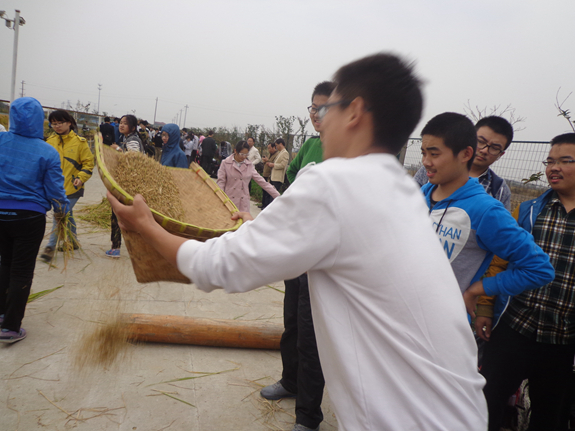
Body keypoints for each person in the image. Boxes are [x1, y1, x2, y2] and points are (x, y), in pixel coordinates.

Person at [108, 53, 488, 431]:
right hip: (462, 411)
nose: (321, 121)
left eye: (328, 109)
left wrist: (147, 225)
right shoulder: (400, 188)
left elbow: (218, 266)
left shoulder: (336, 182)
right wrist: (258, 225)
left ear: (354, 111)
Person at [477, 133, 575, 431]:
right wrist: (484, 307)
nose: (552, 168)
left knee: (549, 415)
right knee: (486, 404)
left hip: (563, 344)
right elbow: (499, 261)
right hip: (514, 329)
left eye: (564, 161)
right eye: (550, 161)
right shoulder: (530, 211)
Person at [419, 112, 554, 317]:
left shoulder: (487, 210)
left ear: (465, 153)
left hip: (441, 323)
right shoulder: (421, 194)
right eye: (423, 153)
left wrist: (478, 290)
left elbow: (539, 269)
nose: (426, 162)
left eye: (434, 154)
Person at [260, 81, 335, 431]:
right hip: (298, 252)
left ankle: (308, 415)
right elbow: (290, 189)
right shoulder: (309, 147)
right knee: (292, 323)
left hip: (324, 261)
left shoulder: (349, 154)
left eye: (323, 107)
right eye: (312, 107)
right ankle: (290, 382)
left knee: (312, 336)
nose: (315, 114)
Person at [0, 97, 69, 343]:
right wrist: (62, 211)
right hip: (29, 218)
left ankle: (1, 313)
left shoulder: (1, 140)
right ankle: (10, 327)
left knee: (4, 263)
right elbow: (55, 190)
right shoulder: (46, 151)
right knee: (21, 270)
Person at [414, 116, 513, 210]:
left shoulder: (499, 189)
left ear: (501, 154)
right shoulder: (431, 170)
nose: (484, 150)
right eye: (480, 141)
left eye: (495, 148)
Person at [40, 110, 94, 262]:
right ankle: (74, 241)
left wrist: (81, 178)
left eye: (60, 123)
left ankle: (50, 246)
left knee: (60, 214)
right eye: (54, 123)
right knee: (66, 214)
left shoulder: (80, 142)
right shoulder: (49, 142)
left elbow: (89, 163)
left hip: (72, 188)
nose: (56, 126)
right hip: (54, 188)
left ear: (69, 123)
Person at [105, 114, 143, 258]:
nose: (121, 125)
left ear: (133, 127)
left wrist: (118, 150)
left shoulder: (132, 140)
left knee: (117, 215)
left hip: (129, 185)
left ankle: (116, 248)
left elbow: (134, 159)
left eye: (125, 123)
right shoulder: (127, 138)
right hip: (128, 183)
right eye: (120, 123)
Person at [217, 141, 280, 213]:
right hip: (229, 201)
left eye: (246, 154)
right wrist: (220, 198)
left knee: (244, 223)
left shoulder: (249, 165)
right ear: (235, 151)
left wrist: (278, 196)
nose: (244, 157)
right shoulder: (225, 163)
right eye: (242, 154)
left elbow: (262, 182)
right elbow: (221, 182)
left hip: (243, 203)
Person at [260, 142, 278, 209]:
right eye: (268, 148)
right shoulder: (269, 154)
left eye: (270, 148)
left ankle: (266, 205)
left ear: (274, 147)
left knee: (268, 191)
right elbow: (267, 163)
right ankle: (263, 203)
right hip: (265, 173)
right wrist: (265, 161)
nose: (269, 150)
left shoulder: (277, 155)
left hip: (270, 175)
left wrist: (268, 160)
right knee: (264, 190)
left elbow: (273, 163)